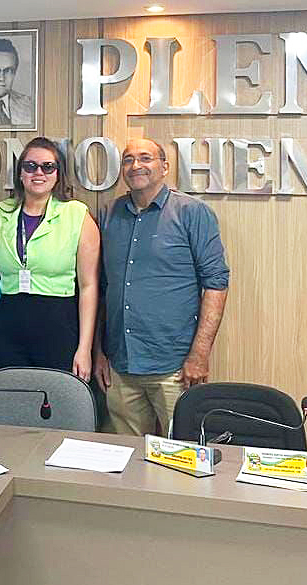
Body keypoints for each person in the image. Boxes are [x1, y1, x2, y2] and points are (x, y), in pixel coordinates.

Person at [94, 138, 230, 436]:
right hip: (121, 365)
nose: (136, 166)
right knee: (126, 461)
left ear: (164, 167)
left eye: (145, 158)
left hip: (175, 367)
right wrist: (99, 352)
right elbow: (102, 288)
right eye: (128, 159)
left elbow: (216, 284)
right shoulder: (108, 214)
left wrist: (200, 354)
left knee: (182, 459)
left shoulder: (192, 213)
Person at [0, 137, 100, 381]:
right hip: (8, 325)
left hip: (58, 325)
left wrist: (84, 349)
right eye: (30, 166)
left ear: (58, 174)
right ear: (20, 173)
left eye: (48, 167)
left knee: (55, 407)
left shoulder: (77, 215)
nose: (39, 172)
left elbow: (89, 287)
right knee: (7, 406)